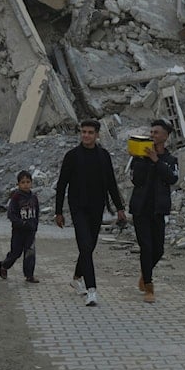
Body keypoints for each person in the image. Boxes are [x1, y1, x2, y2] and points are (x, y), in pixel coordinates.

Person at [55, 119, 126, 306]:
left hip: (97, 208)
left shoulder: (103, 156)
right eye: (83, 132)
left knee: (88, 248)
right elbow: (62, 185)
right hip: (78, 208)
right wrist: (58, 212)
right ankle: (92, 290)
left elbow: (111, 183)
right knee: (85, 247)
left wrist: (119, 208)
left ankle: (77, 278)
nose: (86, 135)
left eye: (90, 132)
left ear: (97, 135)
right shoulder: (72, 156)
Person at [128, 119, 179, 303]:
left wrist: (156, 161)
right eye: (151, 132)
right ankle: (149, 287)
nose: (152, 136)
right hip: (141, 209)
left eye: (156, 133)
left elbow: (172, 178)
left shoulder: (170, 160)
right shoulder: (139, 157)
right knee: (146, 247)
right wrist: (142, 160)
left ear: (165, 136)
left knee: (158, 249)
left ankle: (145, 273)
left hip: (158, 210)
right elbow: (135, 180)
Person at [0, 170, 40, 283]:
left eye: (28, 182)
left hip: (30, 231)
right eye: (23, 182)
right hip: (18, 232)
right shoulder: (16, 198)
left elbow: (37, 213)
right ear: (18, 184)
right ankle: (4, 265)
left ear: (31, 183)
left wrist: (35, 225)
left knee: (30, 253)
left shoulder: (33, 197)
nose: (26, 184)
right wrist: (21, 223)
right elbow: (11, 214)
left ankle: (29, 275)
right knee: (16, 253)